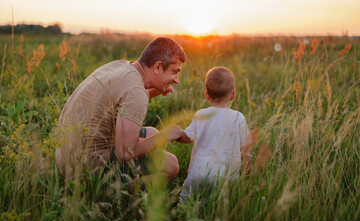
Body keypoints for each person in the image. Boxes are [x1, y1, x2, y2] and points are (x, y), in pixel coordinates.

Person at [55, 37, 186, 184]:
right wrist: (166, 135)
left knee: (151, 133)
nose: (176, 80)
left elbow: (124, 99)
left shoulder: (120, 66)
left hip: (65, 156)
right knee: (171, 164)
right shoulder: (136, 92)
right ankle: (112, 197)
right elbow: (125, 152)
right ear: (158, 67)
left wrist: (153, 92)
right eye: (174, 72)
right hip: (82, 169)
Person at [176, 66, 252, 202]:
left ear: (206, 95)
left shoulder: (201, 115)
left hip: (198, 174)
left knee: (185, 200)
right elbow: (246, 148)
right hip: (225, 177)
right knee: (220, 203)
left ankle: (179, 219)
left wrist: (176, 134)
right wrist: (248, 170)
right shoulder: (238, 118)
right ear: (233, 95)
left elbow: (187, 137)